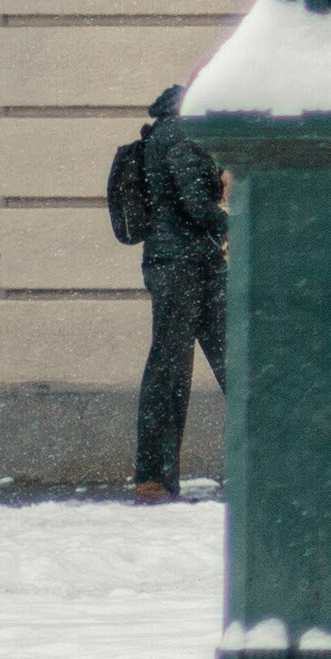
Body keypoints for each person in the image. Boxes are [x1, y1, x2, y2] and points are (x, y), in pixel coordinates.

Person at [106, 82, 226, 499]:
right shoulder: (183, 133)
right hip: (182, 266)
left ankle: (154, 476)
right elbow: (195, 202)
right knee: (178, 369)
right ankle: (153, 477)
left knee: (195, 366)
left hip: (189, 264)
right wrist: (235, 222)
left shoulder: (167, 131)